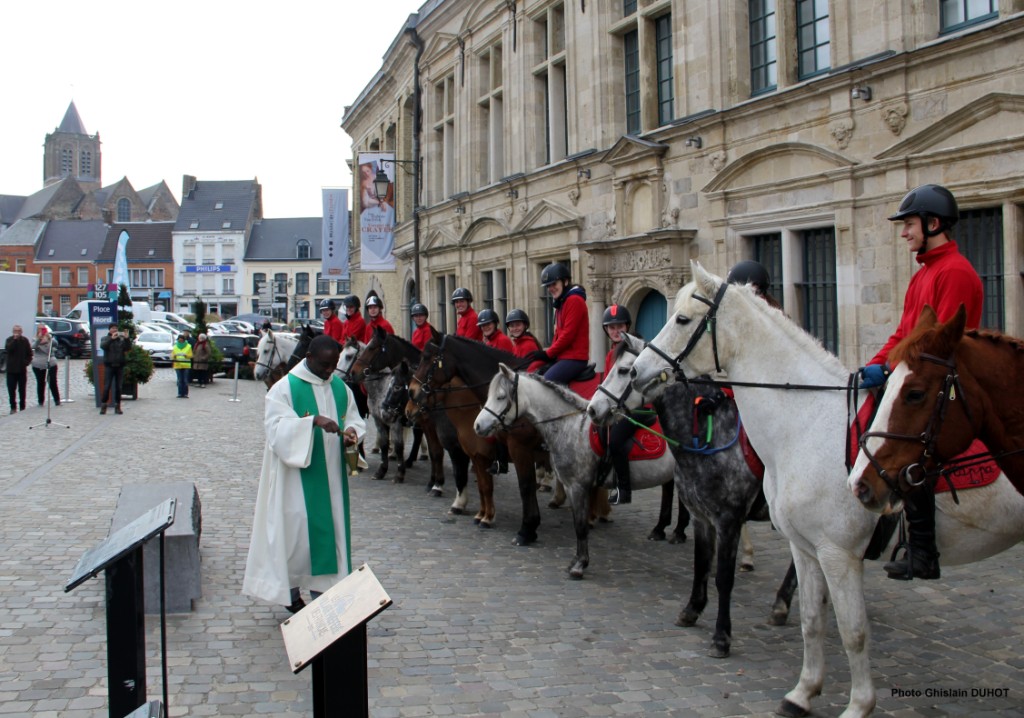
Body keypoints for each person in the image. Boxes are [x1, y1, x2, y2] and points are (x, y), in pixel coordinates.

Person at [858, 184, 983, 581]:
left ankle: (923, 551)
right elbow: (904, 335)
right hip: (918, 374)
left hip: (947, 382)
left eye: (909, 224)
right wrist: (874, 365)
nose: (904, 233)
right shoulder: (924, 274)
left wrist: (895, 374)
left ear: (932, 224)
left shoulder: (956, 272)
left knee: (912, 450)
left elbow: (935, 348)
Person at [242, 335, 367, 612]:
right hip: (294, 480)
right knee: (294, 536)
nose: (329, 371)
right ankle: (290, 593)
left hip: (331, 478)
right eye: (325, 365)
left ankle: (324, 592)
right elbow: (275, 429)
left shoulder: (339, 387)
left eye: (334, 364)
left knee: (327, 533)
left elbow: (355, 418)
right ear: (309, 358)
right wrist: (311, 422)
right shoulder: (284, 388)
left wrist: (351, 434)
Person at [595, 305, 651, 505]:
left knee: (616, 440)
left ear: (627, 326)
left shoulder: (636, 349)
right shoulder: (612, 354)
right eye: (610, 327)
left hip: (640, 407)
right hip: (621, 407)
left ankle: (624, 489)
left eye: (619, 326)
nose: (615, 330)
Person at [527, 262, 590, 385]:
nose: (550, 288)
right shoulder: (562, 302)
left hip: (574, 358)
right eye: (548, 285)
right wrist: (549, 353)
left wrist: (548, 353)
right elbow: (558, 334)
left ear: (565, 282)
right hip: (562, 357)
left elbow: (568, 335)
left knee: (544, 385)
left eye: (554, 284)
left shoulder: (574, 300)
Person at [100, 324, 132, 415]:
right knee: (107, 386)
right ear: (109, 330)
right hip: (109, 366)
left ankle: (117, 406)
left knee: (119, 387)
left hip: (119, 366)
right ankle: (104, 405)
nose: (114, 330)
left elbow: (128, 348)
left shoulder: (121, 339)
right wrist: (111, 339)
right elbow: (103, 346)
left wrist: (127, 338)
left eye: (116, 329)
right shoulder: (105, 338)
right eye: (113, 328)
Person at [5, 324, 32, 414]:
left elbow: (29, 353)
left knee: (22, 389)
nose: (17, 333)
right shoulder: (9, 340)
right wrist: (14, 340)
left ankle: (22, 406)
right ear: (13, 332)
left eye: (18, 331)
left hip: (21, 369)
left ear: (21, 332)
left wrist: (26, 362)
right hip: (11, 370)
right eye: (15, 331)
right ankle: (13, 407)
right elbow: (8, 349)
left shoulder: (25, 341)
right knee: (11, 389)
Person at [31, 325, 60, 406]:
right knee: (40, 382)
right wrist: (39, 339)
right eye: (40, 330)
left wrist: (49, 338)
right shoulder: (35, 339)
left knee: (53, 382)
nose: (42, 331)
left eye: (43, 329)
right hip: (39, 364)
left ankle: (57, 400)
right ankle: (41, 401)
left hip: (50, 363)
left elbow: (56, 344)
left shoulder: (50, 338)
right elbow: (32, 347)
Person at [172, 333, 193, 398]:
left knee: (185, 380)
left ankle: (185, 393)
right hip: (178, 365)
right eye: (179, 340)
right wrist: (174, 356)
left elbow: (191, 355)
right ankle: (180, 393)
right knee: (179, 380)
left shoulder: (189, 346)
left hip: (186, 365)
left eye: (181, 339)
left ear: (184, 340)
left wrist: (185, 355)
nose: (180, 340)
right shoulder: (175, 346)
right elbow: (172, 356)